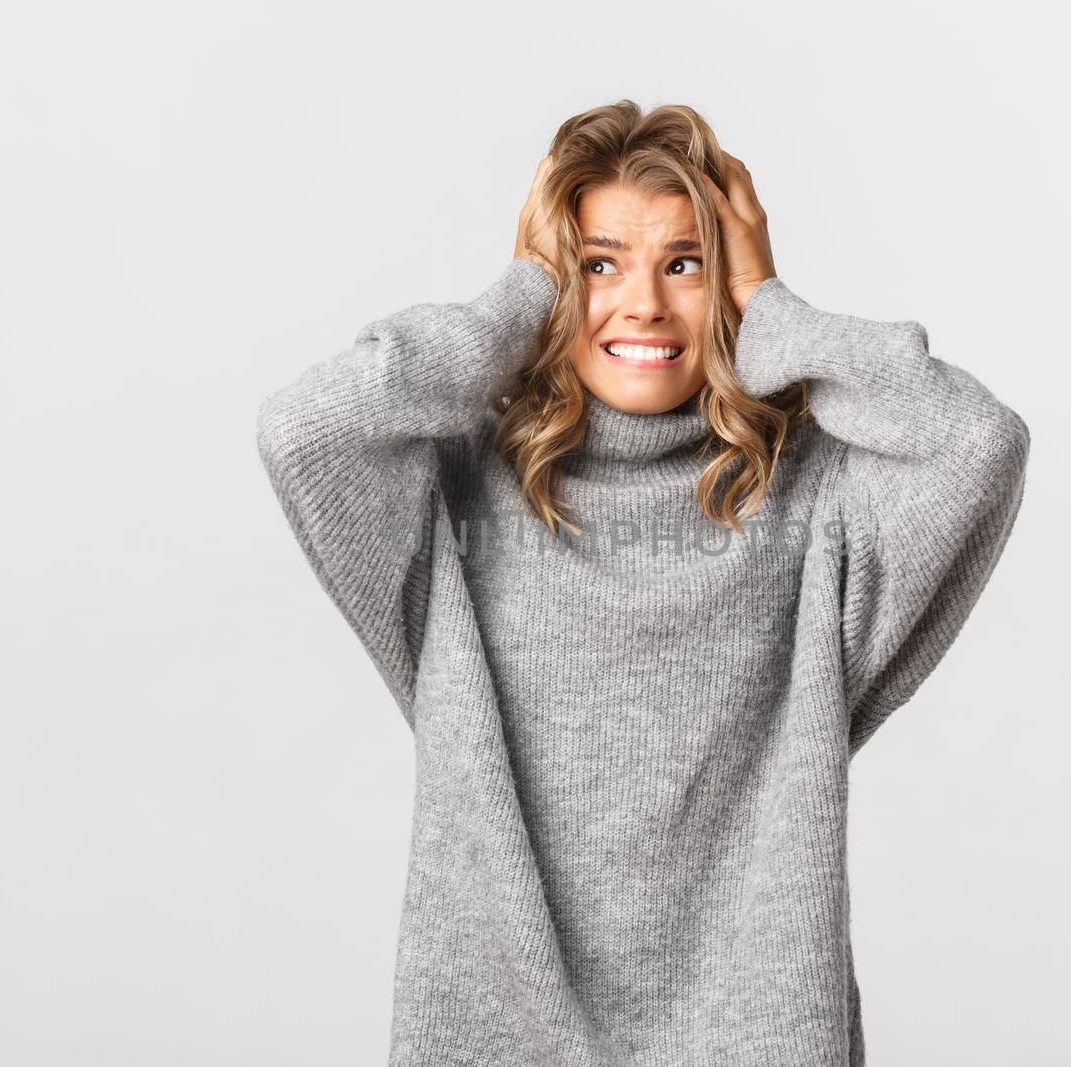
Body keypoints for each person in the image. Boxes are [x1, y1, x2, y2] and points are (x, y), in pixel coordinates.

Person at [255, 100, 1030, 1066]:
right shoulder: (455, 496)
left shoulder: (815, 500)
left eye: (684, 263)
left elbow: (980, 443)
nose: (644, 305)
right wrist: (519, 299)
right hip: (498, 1041)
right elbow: (304, 430)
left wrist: (773, 305)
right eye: (599, 264)